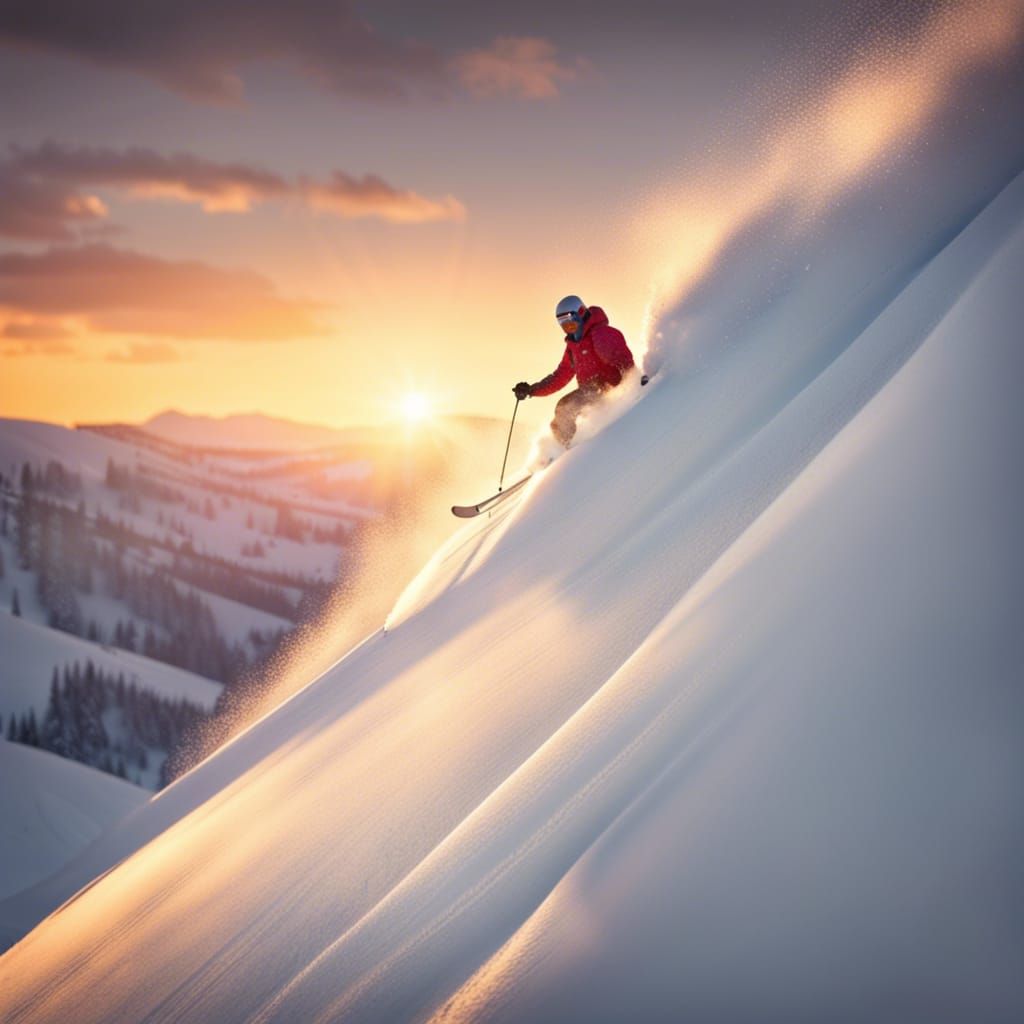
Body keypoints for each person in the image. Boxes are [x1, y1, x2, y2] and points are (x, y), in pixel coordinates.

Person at [514, 295, 636, 447]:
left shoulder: (601, 334)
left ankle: (571, 451)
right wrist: (531, 390)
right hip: (590, 392)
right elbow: (560, 376)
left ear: (581, 313)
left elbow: (624, 360)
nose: (568, 327)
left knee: (565, 409)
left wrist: (635, 381)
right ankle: (561, 455)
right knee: (559, 418)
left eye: (570, 321)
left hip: (607, 389)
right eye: (563, 324)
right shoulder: (573, 347)